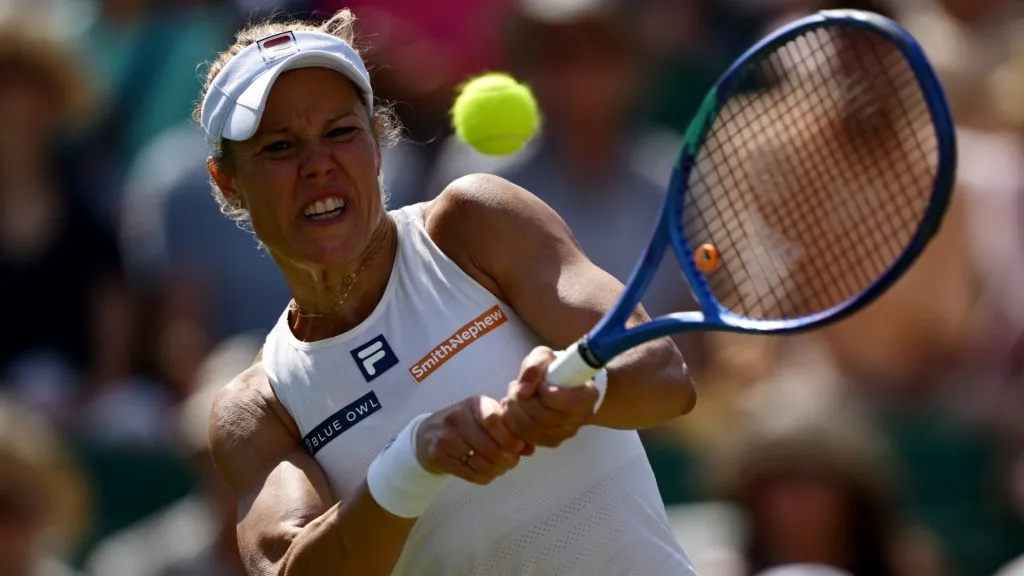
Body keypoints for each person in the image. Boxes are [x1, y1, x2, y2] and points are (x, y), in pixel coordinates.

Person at [197, 9, 696, 576]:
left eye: (340, 133)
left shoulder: (472, 222)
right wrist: (412, 460)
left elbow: (665, 377)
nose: (318, 166)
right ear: (227, 180)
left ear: (378, 143)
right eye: (280, 147)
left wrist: (584, 394)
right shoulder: (259, 407)